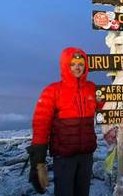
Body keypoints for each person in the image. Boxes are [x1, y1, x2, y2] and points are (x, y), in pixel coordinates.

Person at [26, 47, 104, 196]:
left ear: (85, 66)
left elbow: (107, 107)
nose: (77, 67)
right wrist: (38, 162)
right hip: (63, 158)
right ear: (65, 65)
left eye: (81, 64)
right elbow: (41, 125)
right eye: (73, 63)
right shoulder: (53, 91)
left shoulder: (92, 89)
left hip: (86, 156)